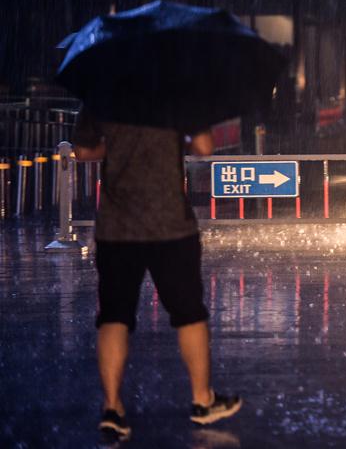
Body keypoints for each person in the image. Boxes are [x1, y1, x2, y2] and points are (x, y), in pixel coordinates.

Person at [73, 109, 241, 442]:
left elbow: (82, 151)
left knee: (114, 316)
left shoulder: (103, 85)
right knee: (189, 313)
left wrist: (120, 149)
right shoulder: (174, 87)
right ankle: (202, 399)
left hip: (117, 226)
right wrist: (174, 141)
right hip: (170, 225)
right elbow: (205, 147)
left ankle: (111, 408)